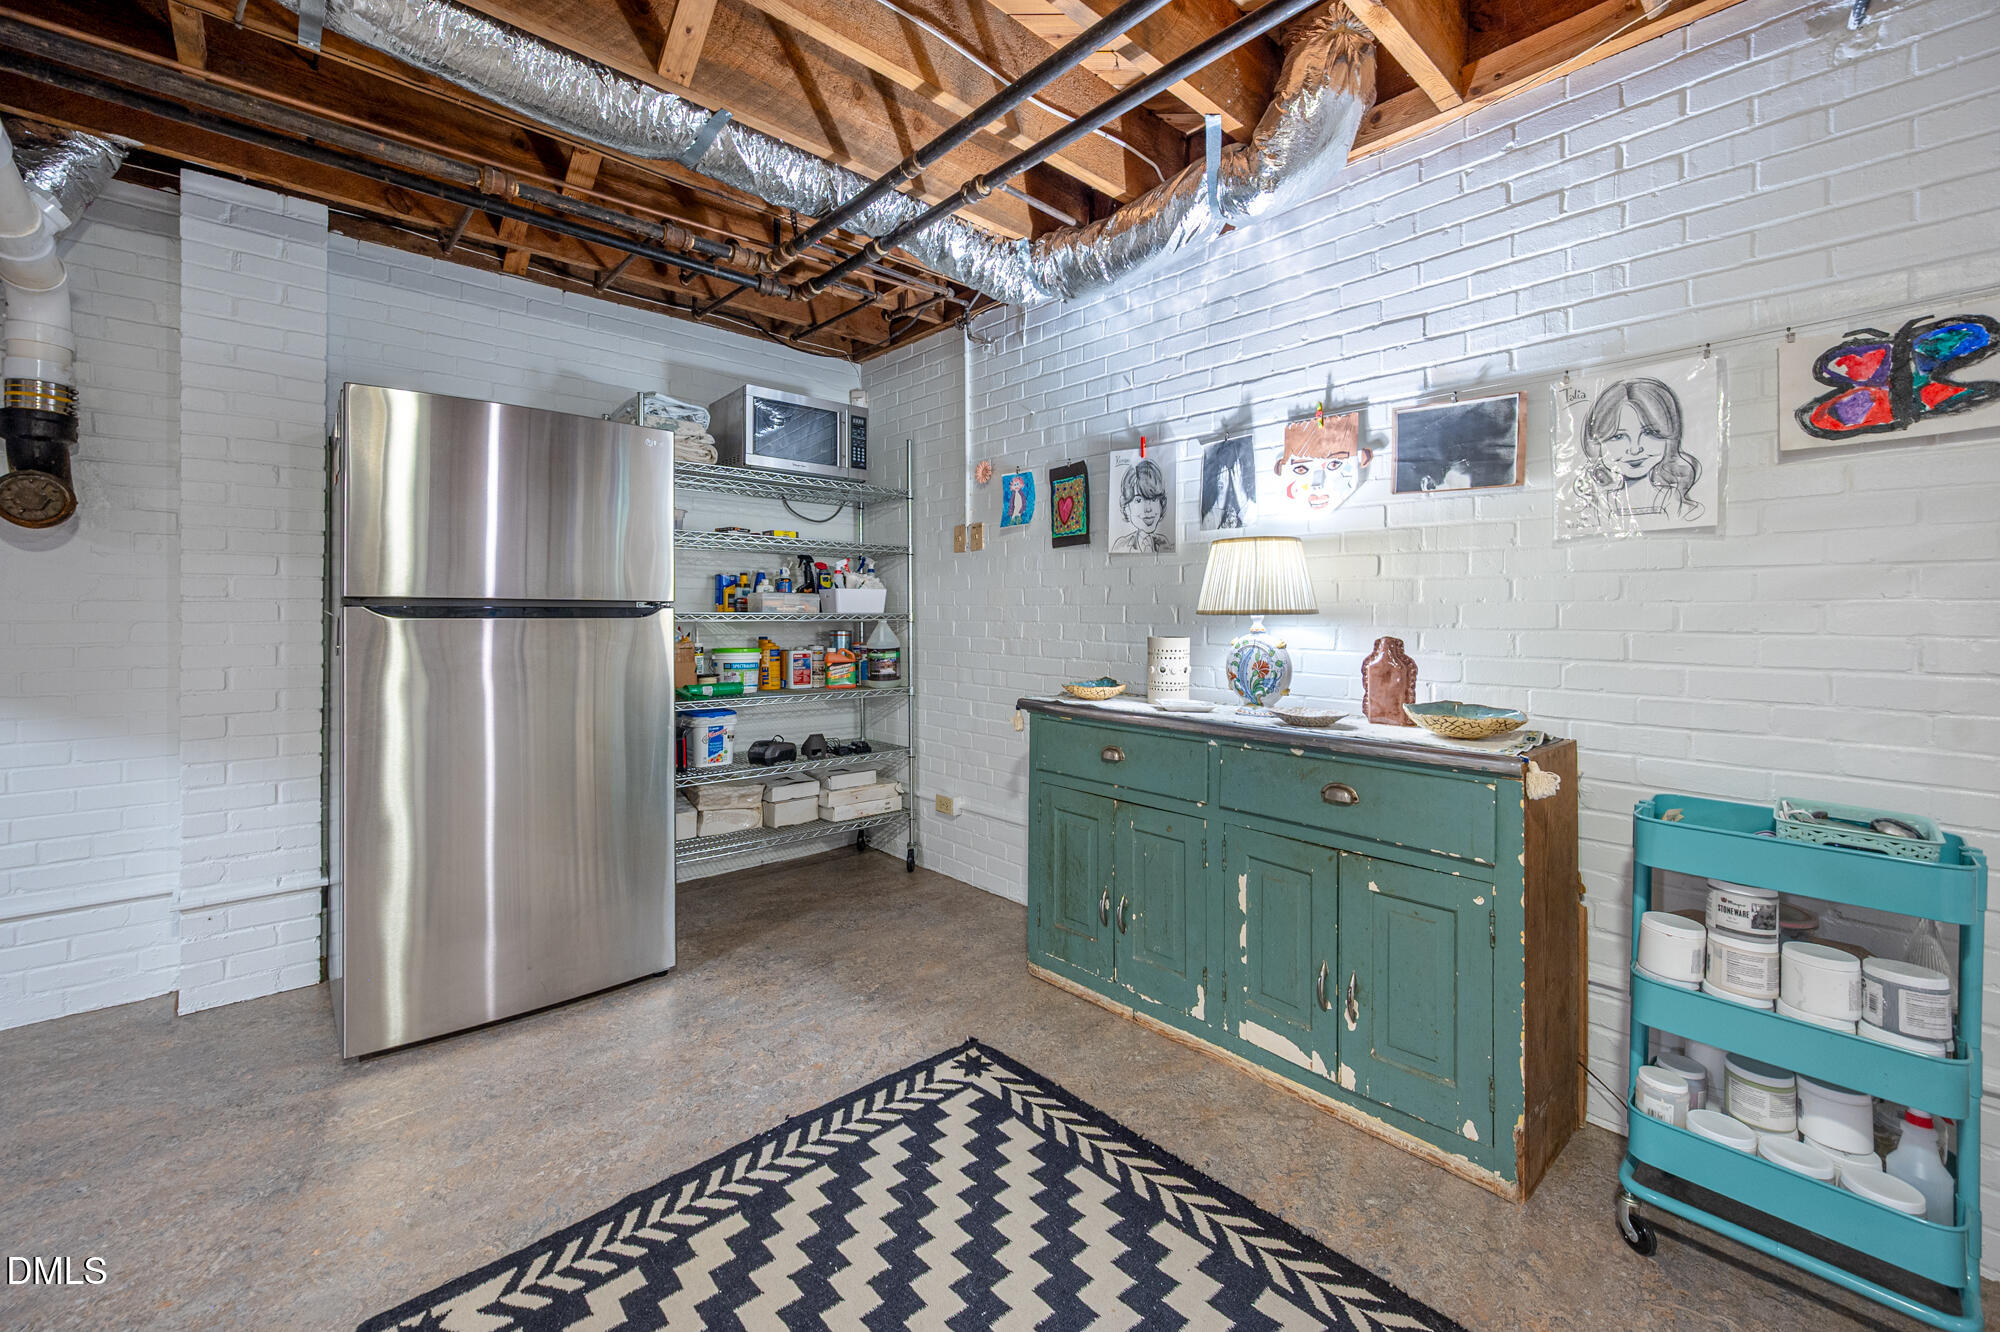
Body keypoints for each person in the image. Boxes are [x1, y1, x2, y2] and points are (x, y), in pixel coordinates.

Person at [1575, 377, 1704, 522]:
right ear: (1597, 443)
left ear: (1670, 436)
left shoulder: (1672, 500)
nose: (1635, 449)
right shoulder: (1598, 504)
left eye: (1649, 433)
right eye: (1618, 436)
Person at [1111, 458, 1172, 552]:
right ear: (1127, 507)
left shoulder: (1165, 544)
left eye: (1153, 499)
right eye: (1139, 500)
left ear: (1161, 503)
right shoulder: (1121, 546)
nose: (1148, 509)